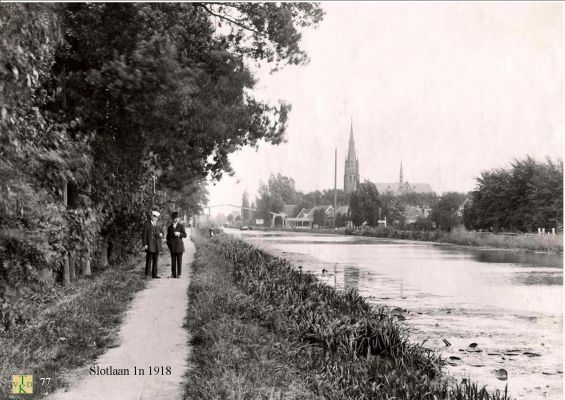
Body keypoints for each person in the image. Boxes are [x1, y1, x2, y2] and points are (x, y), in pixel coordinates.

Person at [142, 210, 164, 278]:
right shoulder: (147, 223)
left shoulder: (158, 224)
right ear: (151, 216)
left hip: (156, 245)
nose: (155, 218)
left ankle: (154, 274)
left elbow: (162, 232)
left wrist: (161, 234)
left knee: (155, 260)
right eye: (154, 216)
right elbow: (144, 235)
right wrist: (145, 244)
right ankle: (147, 274)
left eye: (156, 217)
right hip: (150, 244)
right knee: (148, 260)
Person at [166, 211, 187, 278]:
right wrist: (169, 244)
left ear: (178, 218)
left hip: (179, 246)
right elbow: (167, 237)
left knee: (179, 261)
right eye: (174, 218)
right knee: (173, 261)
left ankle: (179, 274)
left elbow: (185, 235)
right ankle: (173, 274)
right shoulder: (169, 227)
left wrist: (179, 234)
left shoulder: (181, 226)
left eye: (177, 218)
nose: (175, 219)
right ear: (172, 219)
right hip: (172, 247)